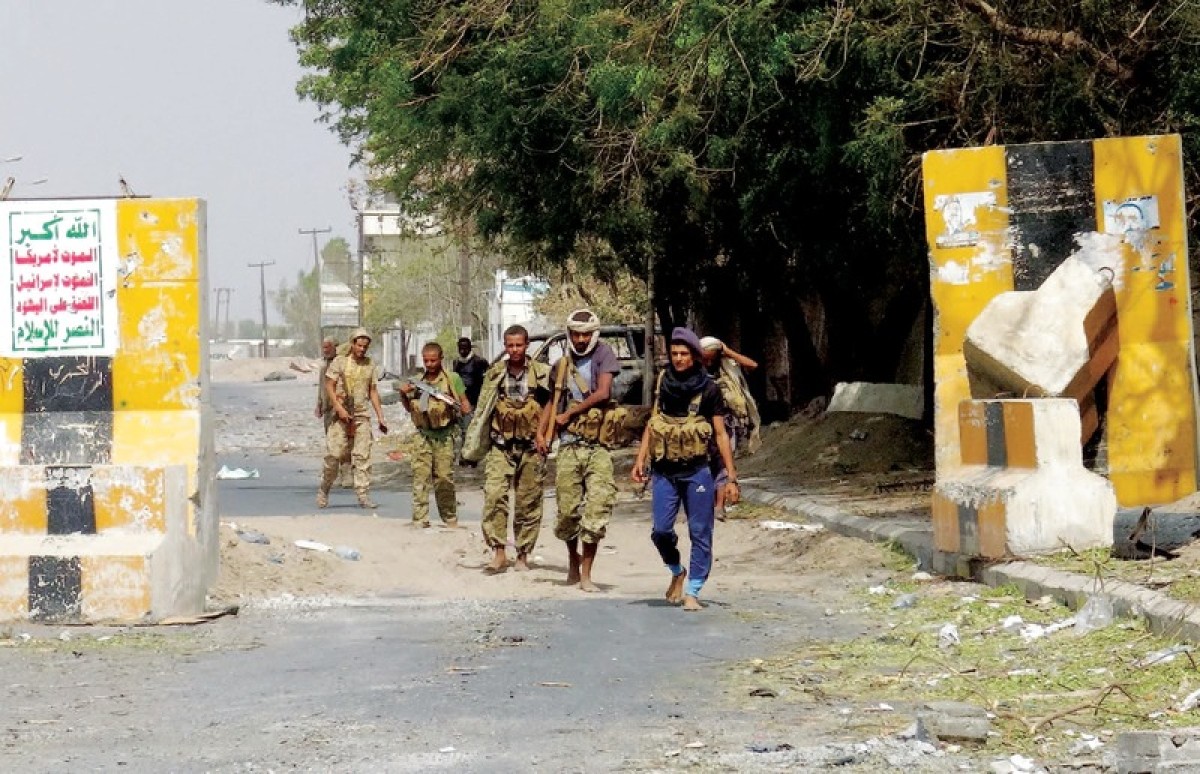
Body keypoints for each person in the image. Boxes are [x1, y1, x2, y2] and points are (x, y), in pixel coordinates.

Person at [632, 327, 738, 612]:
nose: (678, 359)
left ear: (694, 356)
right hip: (664, 471)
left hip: (697, 471)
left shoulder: (709, 389)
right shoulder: (664, 382)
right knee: (661, 531)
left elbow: (720, 434)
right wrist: (640, 459)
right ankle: (677, 570)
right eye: (674, 353)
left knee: (700, 532)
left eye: (684, 354)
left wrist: (730, 476)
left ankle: (693, 591)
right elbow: (653, 423)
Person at [541, 309, 621, 592]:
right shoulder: (561, 364)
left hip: (597, 446)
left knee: (597, 508)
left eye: (585, 334)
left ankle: (587, 573)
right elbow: (553, 400)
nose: (580, 339)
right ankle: (572, 565)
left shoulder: (604, 355)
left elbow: (603, 393)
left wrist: (570, 414)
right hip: (568, 446)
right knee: (567, 512)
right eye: (575, 334)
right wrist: (543, 432)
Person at [479, 325, 553, 573]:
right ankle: (499, 551)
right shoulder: (496, 374)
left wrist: (544, 435)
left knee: (528, 502)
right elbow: (484, 408)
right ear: (504, 346)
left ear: (527, 345)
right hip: (501, 446)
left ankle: (522, 554)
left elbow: (550, 405)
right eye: (510, 346)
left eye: (519, 345)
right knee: (494, 496)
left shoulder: (542, 374)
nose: (514, 350)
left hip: (531, 447)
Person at [400, 341, 472, 528]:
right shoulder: (418, 380)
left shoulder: (452, 378)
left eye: (433, 360)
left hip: (445, 436)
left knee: (444, 478)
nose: (430, 364)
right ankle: (420, 518)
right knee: (420, 478)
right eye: (426, 361)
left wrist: (455, 405)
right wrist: (403, 394)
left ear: (441, 359)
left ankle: (449, 517)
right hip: (423, 435)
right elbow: (410, 408)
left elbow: (465, 405)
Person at [319, 328, 388, 510]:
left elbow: (372, 391)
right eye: (359, 345)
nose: (362, 349)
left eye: (365, 346)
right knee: (334, 455)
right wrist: (338, 407)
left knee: (362, 456)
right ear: (352, 344)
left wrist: (380, 417)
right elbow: (329, 385)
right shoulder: (340, 362)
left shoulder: (369, 365)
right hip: (340, 416)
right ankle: (325, 488)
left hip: (361, 415)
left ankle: (363, 495)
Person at [699, 336, 760, 520]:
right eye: (705, 358)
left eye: (712, 358)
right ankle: (705, 503)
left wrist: (728, 352)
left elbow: (753, 366)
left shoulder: (727, 366)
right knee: (705, 463)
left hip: (727, 422)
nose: (708, 362)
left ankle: (719, 506)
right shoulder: (694, 372)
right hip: (701, 423)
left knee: (724, 462)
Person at [316, 336, 353, 489]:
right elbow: (322, 386)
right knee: (332, 443)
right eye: (323, 347)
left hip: (342, 408)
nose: (325, 350)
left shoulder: (343, 365)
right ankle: (334, 473)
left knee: (345, 442)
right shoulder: (324, 366)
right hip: (328, 410)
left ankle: (347, 473)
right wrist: (319, 404)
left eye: (328, 347)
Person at [453, 336, 490, 466]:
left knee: (471, 430)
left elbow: (487, 381)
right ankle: (466, 455)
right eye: (460, 348)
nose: (462, 350)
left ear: (469, 348)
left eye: (465, 348)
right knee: (464, 430)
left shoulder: (479, 362)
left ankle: (470, 456)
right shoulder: (456, 363)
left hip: (476, 401)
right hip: (460, 401)